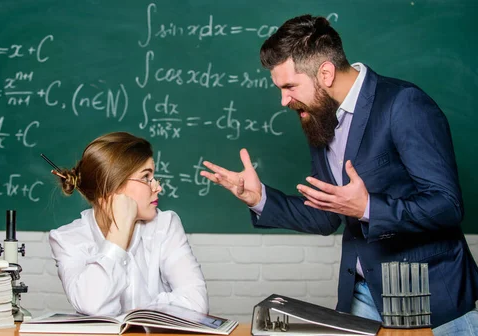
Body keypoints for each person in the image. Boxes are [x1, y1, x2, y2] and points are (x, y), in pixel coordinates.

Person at [200, 14, 478, 333]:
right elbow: (326, 217)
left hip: (429, 302)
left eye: (290, 86)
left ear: (326, 73)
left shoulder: (403, 104)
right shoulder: (320, 116)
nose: (283, 100)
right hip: (362, 296)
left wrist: (368, 208)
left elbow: (448, 205)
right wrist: (259, 198)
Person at [49, 132, 208, 317]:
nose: (157, 186)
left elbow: (197, 304)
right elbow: (91, 305)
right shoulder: (67, 239)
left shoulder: (166, 225)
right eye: (145, 177)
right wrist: (120, 232)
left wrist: (133, 312)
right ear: (110, 187)